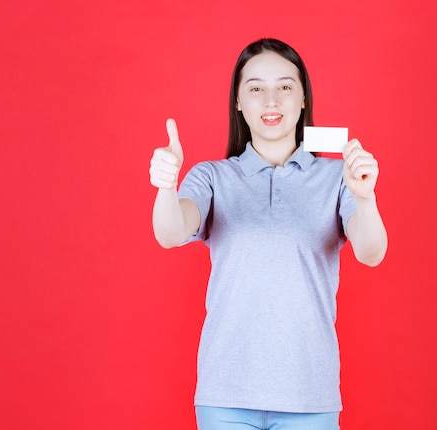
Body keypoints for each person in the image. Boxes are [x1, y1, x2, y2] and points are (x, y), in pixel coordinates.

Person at [149, 38, 387, 430]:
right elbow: (172, 232)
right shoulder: (213, 177)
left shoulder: (336, 177)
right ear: (239, 102)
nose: (271, 100)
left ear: (303, 99)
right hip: (226, 392)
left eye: (285, 87)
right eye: (256, 88)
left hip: (309, 393)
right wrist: (165, 186)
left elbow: (372, 251)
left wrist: (366, 198)